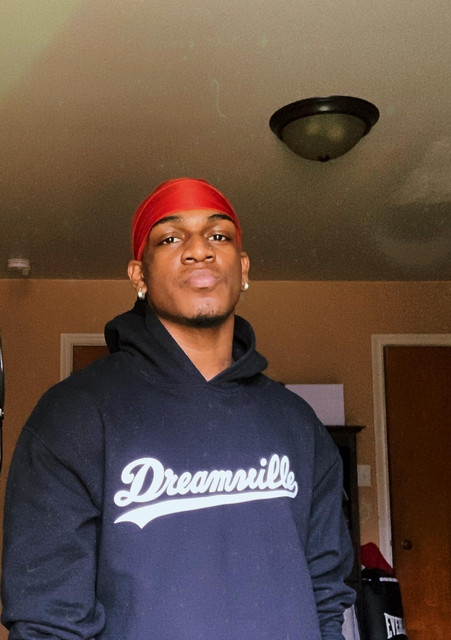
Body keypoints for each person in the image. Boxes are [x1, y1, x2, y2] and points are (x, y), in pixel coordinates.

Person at [2, 178, 355, 639]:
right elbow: (47, 619)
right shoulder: (73, 416)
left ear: (242, 267)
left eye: (218, 235)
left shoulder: (298, 423)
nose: (199, 250)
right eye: (170, 238)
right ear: (139, 276)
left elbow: (326, 595)